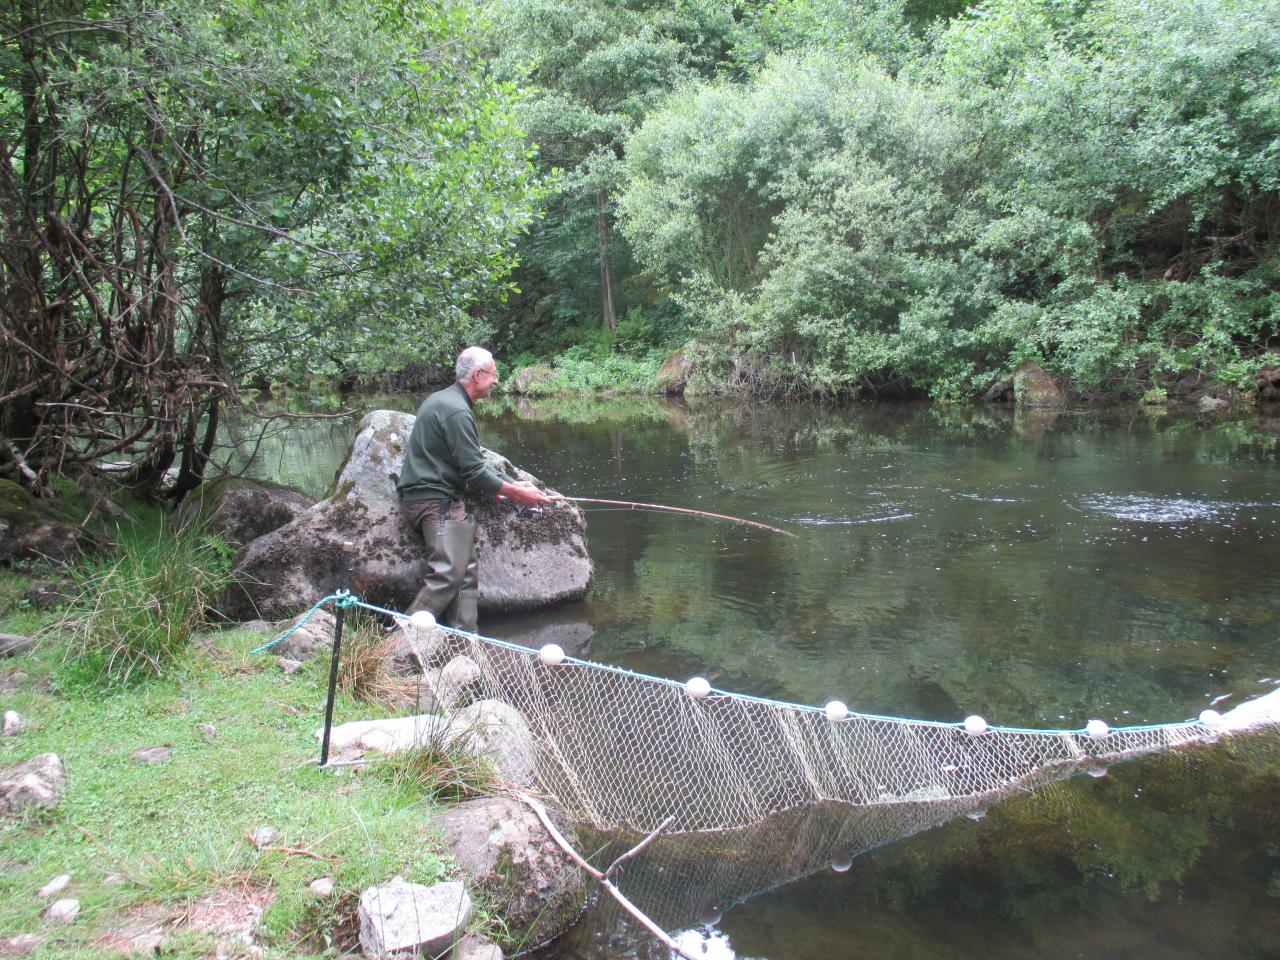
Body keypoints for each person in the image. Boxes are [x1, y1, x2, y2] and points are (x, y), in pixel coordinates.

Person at [397, 346, 551, 630]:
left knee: (465, 573)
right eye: (493, 375)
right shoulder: (455, 410)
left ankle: (467, 647)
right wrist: (518, 494)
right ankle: (397, 648)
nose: (496, 381)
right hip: (433, 501)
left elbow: (462, 465)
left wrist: (507, 486)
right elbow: (474, 470)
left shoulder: (446, 401)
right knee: (449, 573)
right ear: (478, 375)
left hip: (439, 497)